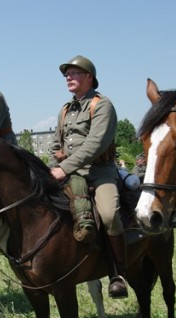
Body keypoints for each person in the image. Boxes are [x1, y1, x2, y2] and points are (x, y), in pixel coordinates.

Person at [48, 55, 128, 299]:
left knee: (108, 213)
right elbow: (55, 144)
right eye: (66, 75)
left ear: (89, 77)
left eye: (74, 74)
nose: (68, 78)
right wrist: (51, 168)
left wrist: (65, 167)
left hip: (99, 173)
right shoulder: (65, 110)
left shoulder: (102, 105)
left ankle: (118, 273)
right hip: (69, 173)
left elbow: (95, 144)